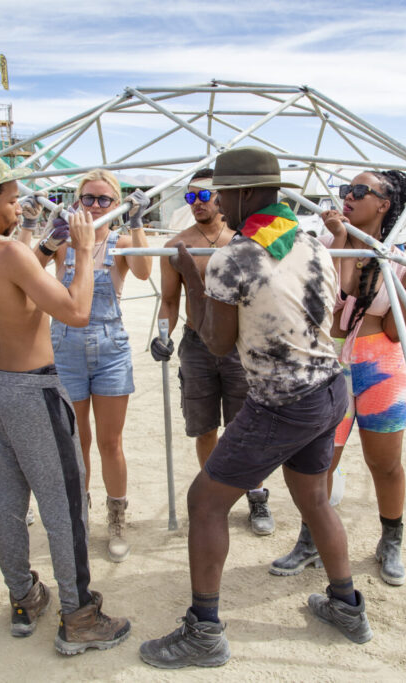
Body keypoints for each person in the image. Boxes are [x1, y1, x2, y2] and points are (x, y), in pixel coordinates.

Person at [139, 147, 371, 669]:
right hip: (329, 387)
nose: (216, 201)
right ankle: (346, 607)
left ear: (243, 193)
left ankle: (203, 632)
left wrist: (195, 280)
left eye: (220, 193)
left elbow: (218, 343)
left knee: (205, 502)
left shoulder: (235, 258)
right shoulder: (310, 243)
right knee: (314, 498)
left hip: (283, 401)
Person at [0, 151, 130, 655]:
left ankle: (24, 596)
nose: (17, 209)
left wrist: (46, 247)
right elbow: (75, 310)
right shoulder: (8, 253)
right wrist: (86, 252)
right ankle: (80, 615)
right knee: (64, 508)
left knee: (9, 505)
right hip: (35, 390)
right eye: (9, 200)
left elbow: (18, 290)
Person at [270, 170, 406, 586]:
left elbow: (399, 330)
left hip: (382, 364)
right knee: (321, 460)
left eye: (360, 192)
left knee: (385, 462)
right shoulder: (322, 246)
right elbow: (334, 301)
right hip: (329, 363)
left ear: (383, 204)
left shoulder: (394, 256)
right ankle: (310, 542)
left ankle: (390, 542)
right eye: (346, 190)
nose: (348, 197)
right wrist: (341, 240)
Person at [24, 170, 152, 563]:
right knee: (76, 443)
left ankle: (116, 517)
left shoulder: (122, 242)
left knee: (110, 442)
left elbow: (145, 271)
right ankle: (79, 516)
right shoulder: (63, 241)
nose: (94, 206)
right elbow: (26, 269)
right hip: (65, 350)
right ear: (76, 201)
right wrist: (36, 228)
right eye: (88, 198)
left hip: (110, 350)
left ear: (116, 204)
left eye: (104, 200)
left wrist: (137, 220)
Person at [150, 169, 274, 537]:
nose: (197, 204)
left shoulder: (245, 241)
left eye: (203, 196)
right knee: (204, 426)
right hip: (197, 344)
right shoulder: (177, 245)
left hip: (240, 344)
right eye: (190, 197)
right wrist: (161, 336)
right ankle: (216, 495)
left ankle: (256, 494)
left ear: (221, 197)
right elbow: (170, 300)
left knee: (245, 425)